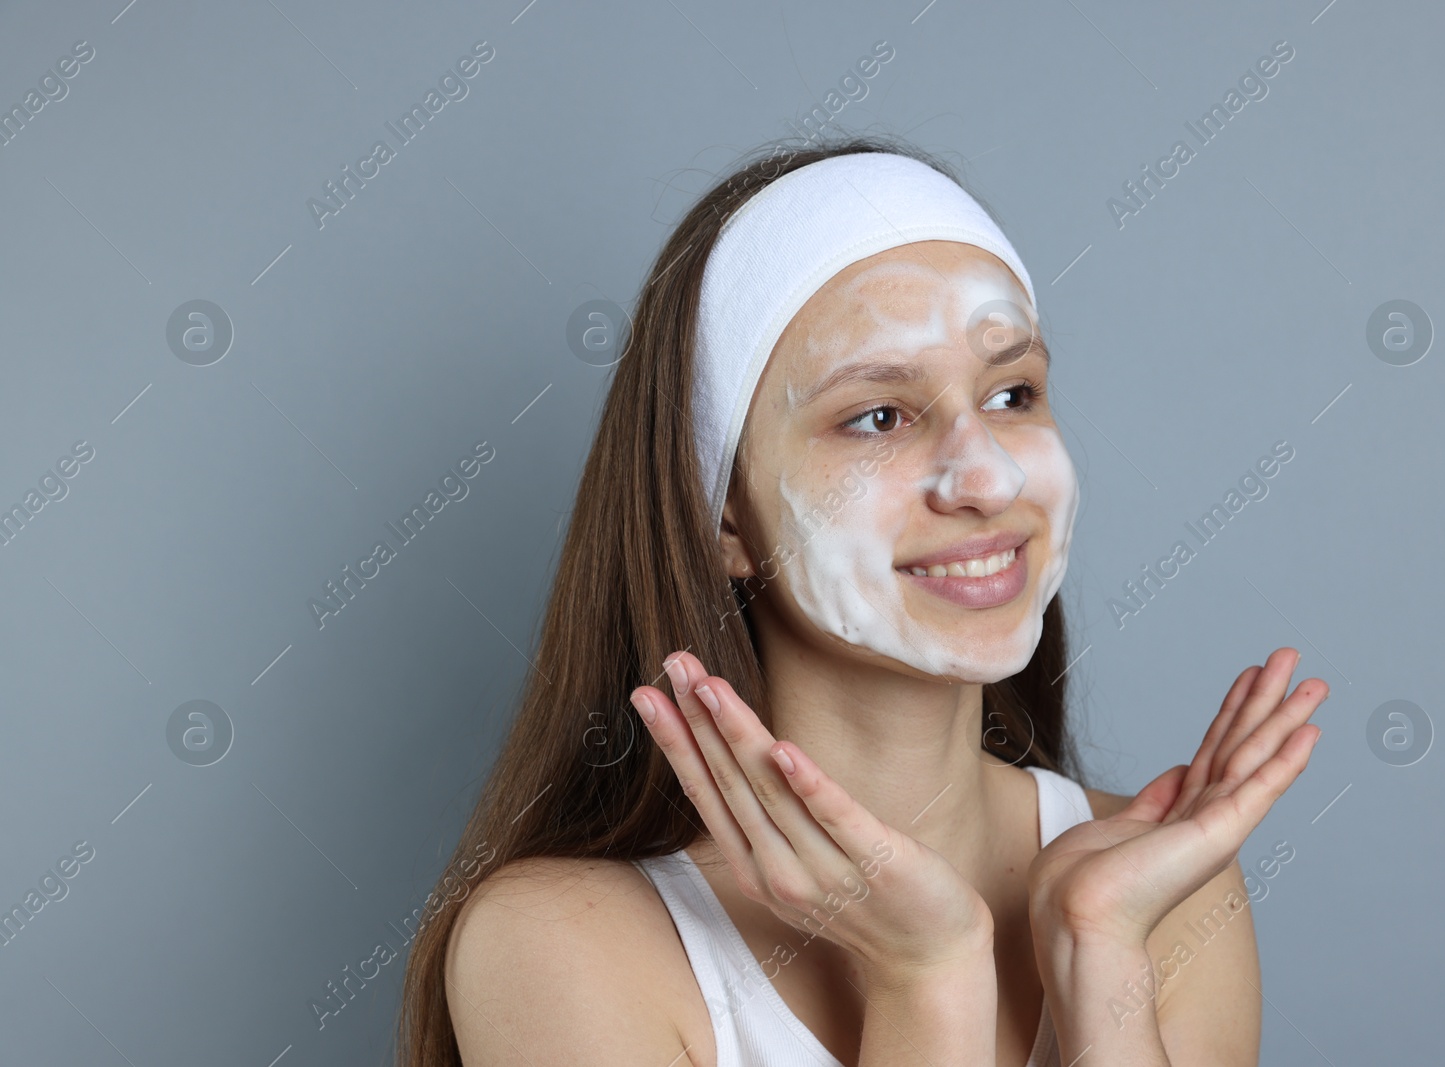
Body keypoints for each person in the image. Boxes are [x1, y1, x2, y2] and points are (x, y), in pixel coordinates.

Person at [395, 135, 1328, 1067]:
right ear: (725, 518)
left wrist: (1100, 963)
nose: (988, 476)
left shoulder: (1161, 890)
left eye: (1012, 394)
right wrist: (925, 979)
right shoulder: (562, 947)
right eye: (879, 415)